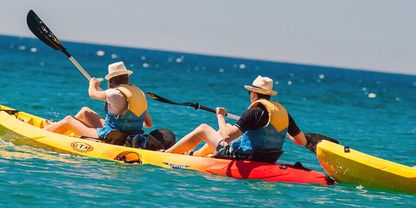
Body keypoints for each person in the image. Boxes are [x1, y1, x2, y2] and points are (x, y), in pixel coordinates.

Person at [166, 75, 308, 163]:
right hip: (269, 159)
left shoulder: (254, 112)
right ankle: (196, 155)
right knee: (227, 126)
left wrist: (220, 116)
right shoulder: (283, 114)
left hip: (243, 157)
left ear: (253, 93)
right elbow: (302, 141)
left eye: (249, 92)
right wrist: (285, 130)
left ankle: (167, 154)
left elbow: (227, 137)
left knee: (204, 128)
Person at [43, 61, 153, 142]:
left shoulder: (113, 93)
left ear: (111, 81)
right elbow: (148, 124)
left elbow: (92, 94)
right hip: (131, 137)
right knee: (85, 112)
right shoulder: (139, 94)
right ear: (127, 78)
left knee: (68, 119)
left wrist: (92, 84)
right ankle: (62, 128)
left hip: (111, 137)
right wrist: (130, 121)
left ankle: (44, 133)